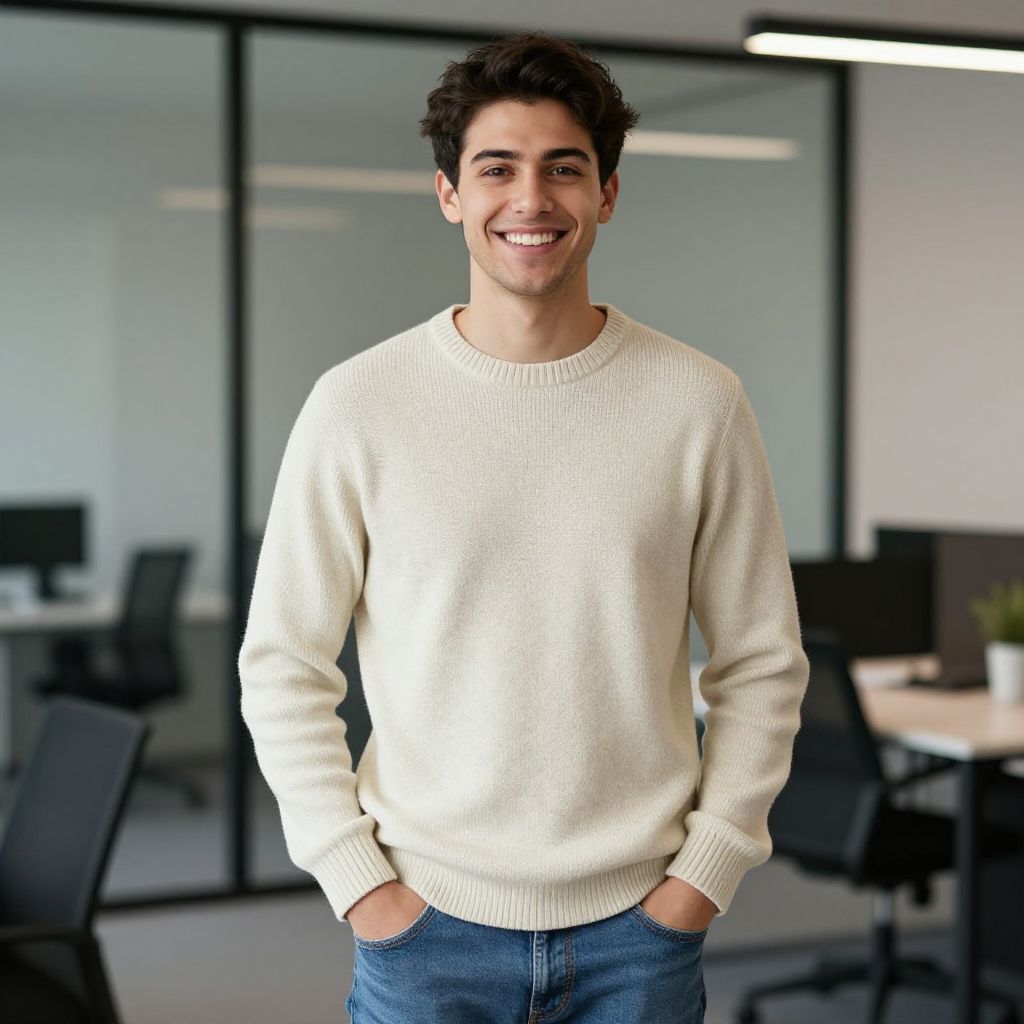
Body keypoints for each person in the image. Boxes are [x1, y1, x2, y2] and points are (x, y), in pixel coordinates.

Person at [238, 29, 809, 1023]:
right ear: (449, 193)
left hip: (641, 934)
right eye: (496, 169)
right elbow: (282, 665)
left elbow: (761, 663)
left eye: (564, 169)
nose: (531, 200)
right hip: (423, 933)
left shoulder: (698, 403)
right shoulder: (359, 405)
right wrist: (360, 885)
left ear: (607, 193)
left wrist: (702, 877)